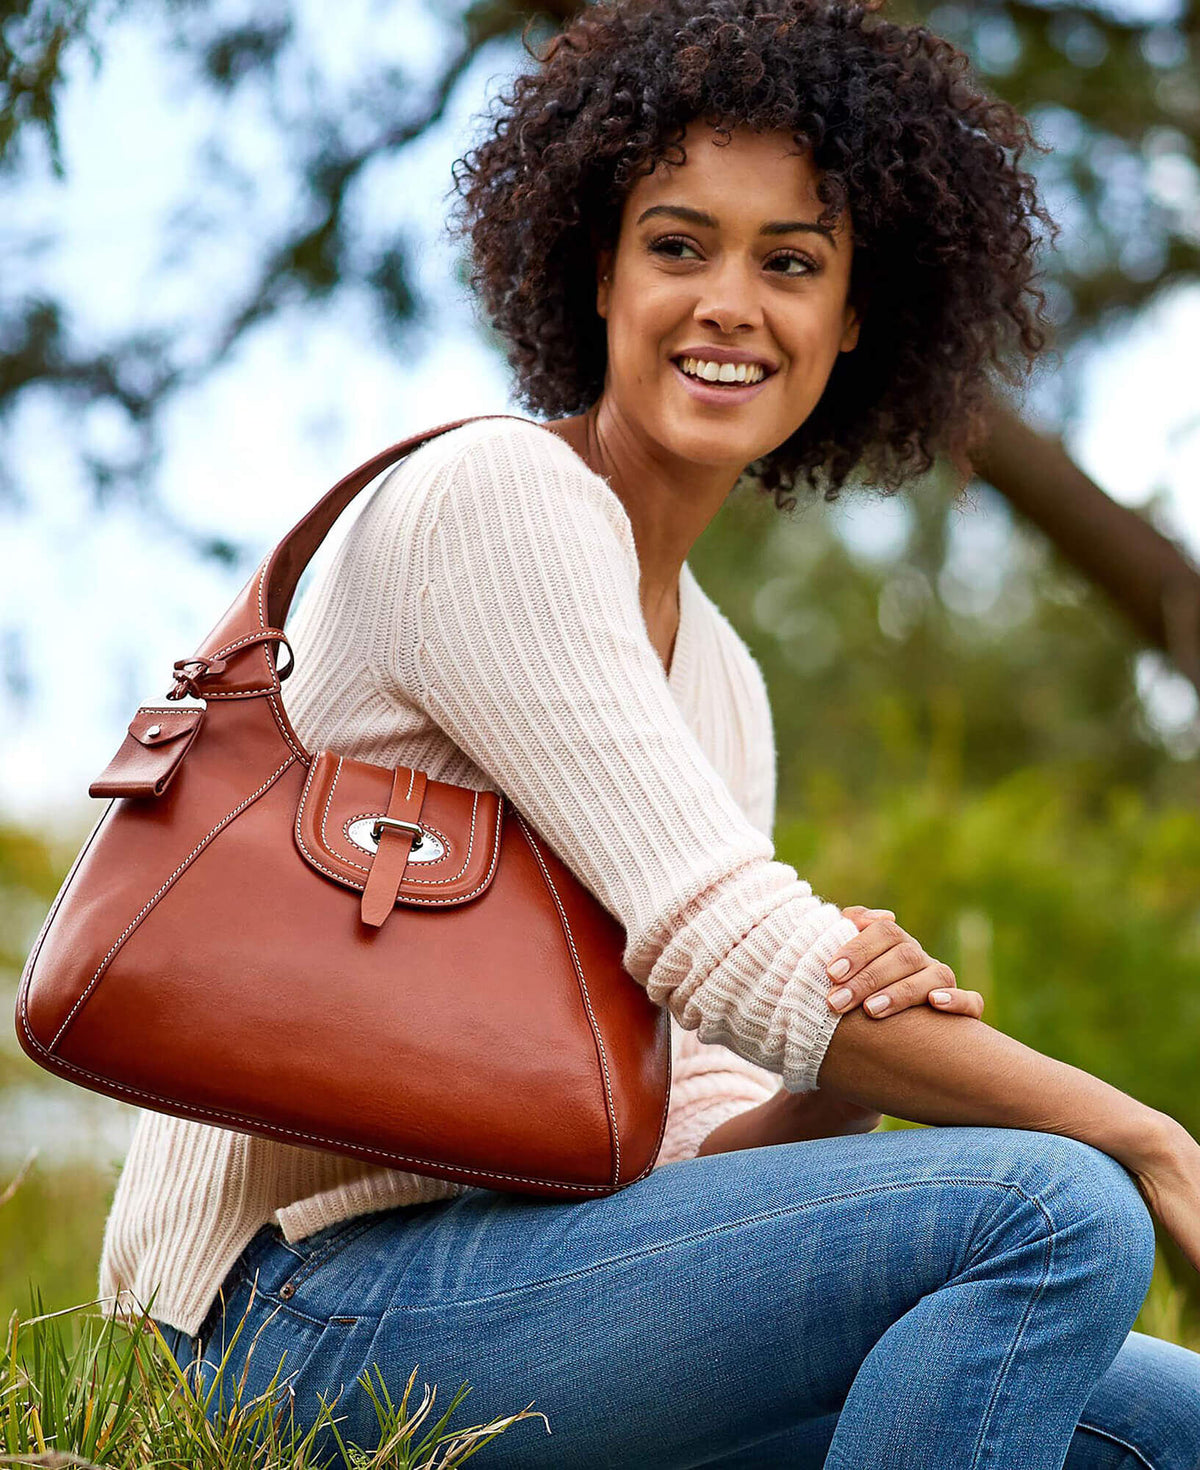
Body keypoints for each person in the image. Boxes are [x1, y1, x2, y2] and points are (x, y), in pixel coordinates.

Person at [99, 1, 1200, 1464]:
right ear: (599, 274)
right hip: (297, 1304)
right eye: (680, 245)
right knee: (1058, 1209)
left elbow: (681, 1127)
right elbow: (725, 937)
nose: (731, 302)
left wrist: (824, 1082)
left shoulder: (722, 675)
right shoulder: (498, 498)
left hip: (549, 1283)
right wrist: (1147, 1131)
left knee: (1165, 1425)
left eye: (790, 262)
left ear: (855, 317)